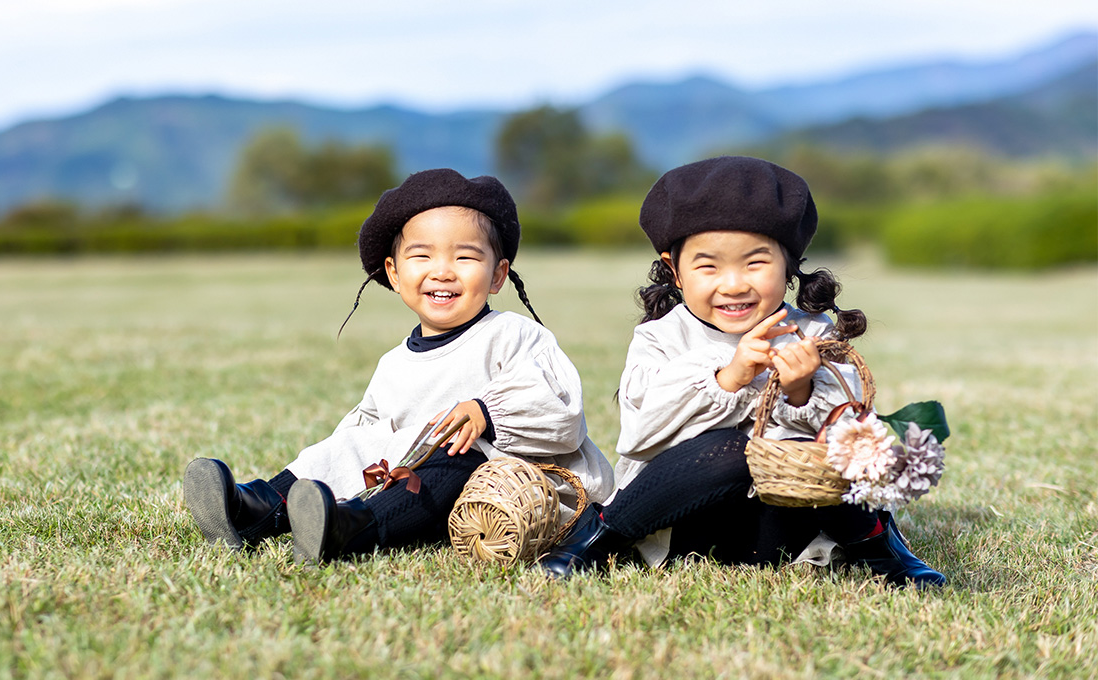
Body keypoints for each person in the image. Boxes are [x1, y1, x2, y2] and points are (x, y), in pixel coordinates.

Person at [536, 156, 946, 589]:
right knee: (735, 450)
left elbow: (859, 439)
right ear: (675, 270)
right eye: (708, 266)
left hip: (784, 528)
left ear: (789, 265)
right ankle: (601, 539)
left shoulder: (812, 334)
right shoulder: (660, 338)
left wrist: (801, 390)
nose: (733, 284)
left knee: (831, 451)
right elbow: (638, 437)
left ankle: (878, 548)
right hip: (689, 524)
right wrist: (727, 378)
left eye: (755, 263)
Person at [183, 168, 615, 565]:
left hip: (526, 492)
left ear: (498, 275)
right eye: (422, 256)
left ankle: (350, 528)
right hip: (420, 487)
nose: (442, 272)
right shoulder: (394, 364)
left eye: (465, 258)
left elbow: (560, 408)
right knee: (348, 445)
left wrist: (488, 412)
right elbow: (362, 438)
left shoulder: (513, 335)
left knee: (454, 451)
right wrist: (339, 462)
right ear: (393, 273)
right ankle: (260, 508)